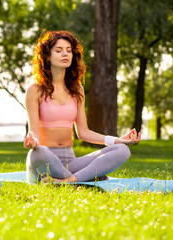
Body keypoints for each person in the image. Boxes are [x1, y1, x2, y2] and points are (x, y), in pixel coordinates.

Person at [24, 30, 141, 184]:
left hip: (72, 163)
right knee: (38, 153)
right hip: (45, 160)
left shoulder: (76, 89)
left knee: (122, 150)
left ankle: (68, 180)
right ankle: (86, 177)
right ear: (47, 56)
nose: (65, 54)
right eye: (59, 50)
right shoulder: (35, 90)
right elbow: (34, 131)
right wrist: (33, 141)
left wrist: (117, 140)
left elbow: (83, 132)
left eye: (69, 50)